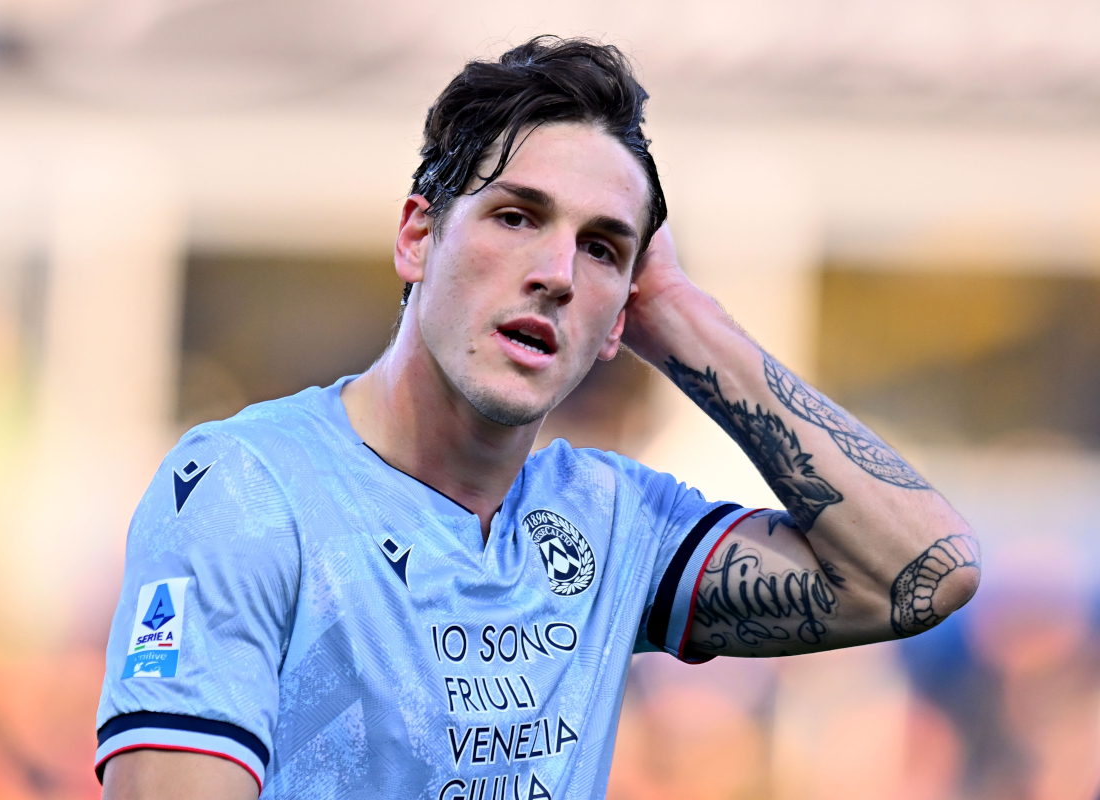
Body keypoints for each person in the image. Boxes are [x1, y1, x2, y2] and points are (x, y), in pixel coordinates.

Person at [94, 36, 980, 800]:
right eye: (517, 216)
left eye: (602, 248)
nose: (557, 271)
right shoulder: (246, 491)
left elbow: (924, 570)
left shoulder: (611, 522)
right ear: (417, 237)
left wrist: (680, 317)